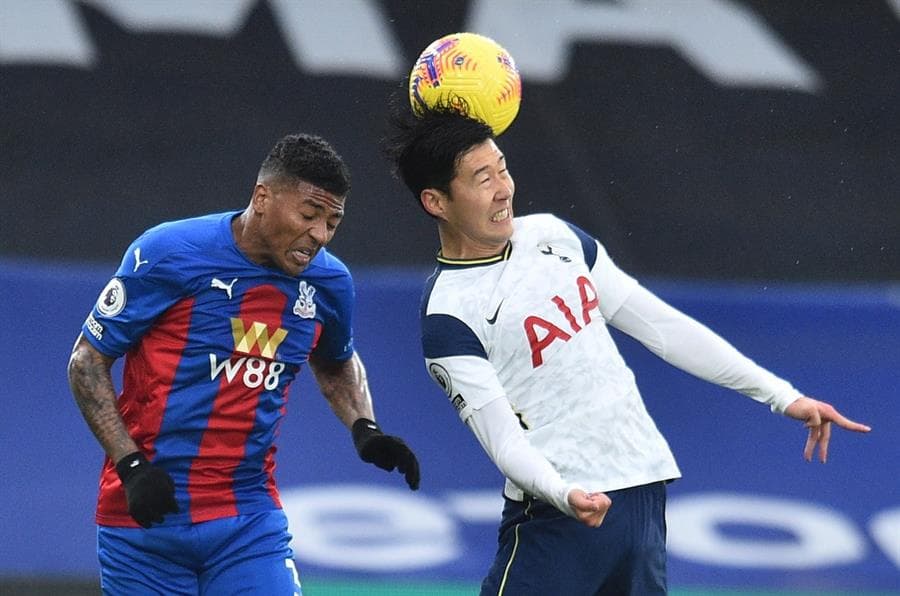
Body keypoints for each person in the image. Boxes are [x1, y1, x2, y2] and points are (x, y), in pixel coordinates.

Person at [385, 103, 871, 595]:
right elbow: (503, 441)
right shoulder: (449, 315)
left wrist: (781, 395)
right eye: (481, 178)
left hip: (641, 491)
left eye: (503, 168)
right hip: (561, 515)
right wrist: (563, 493)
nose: (504, 187)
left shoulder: (555, 236)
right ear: (436, 201)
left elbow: (661, 327)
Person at [67, 133, 420, 595]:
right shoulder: (169, 252)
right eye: (309, 215)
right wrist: (131, 465)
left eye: (333, 222)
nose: (319, 235)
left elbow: (336, 361)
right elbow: (87, 362)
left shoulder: (330, 284)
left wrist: (364, 427)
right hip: (142, 521)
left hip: (247, 521)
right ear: (262, 198)